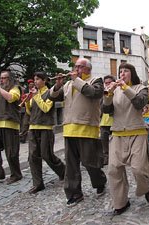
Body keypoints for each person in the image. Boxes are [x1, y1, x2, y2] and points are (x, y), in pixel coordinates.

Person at [50, 58, 107, 208]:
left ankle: (100, 181)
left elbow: (93, 93)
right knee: (71, 165)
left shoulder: (96, 80)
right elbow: (52, 97)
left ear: (88, 69)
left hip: (87, 128)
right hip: (69, 128)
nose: (76, 70)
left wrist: (76, 80)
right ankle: (74, 193)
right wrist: (57, 85)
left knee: (90, 162)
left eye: (80, 67)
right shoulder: (68, 84)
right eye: (75, 67)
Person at [103, 63, 149, 216]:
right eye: (120, 71)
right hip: (118, 133)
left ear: (132, 73)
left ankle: (145, 188)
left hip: (137, 131)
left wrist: (125, 88)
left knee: (138, 168)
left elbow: (139, 103)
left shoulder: (141, 88)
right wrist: (108, 95)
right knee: (114, 169)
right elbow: (105, 110)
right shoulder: (115, 90)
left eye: (125, 71)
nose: (122, 74)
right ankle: (121, 202)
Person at [25, 72, 65, 194]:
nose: (35, 82)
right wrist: (27, 101)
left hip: (45, 128)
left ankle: (64, 172)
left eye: (37, 79)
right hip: (33, 127)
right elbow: (29, 111)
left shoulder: (50, 93)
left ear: (44, 80)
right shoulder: (35, 94)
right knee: (32, 156)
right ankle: (38, 183)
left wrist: (36, 96)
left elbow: (46, 108)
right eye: (34, 79)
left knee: (47, 155)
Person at [100, 75, 115, 165]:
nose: (108, 85)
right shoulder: (103, 93)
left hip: (114, 120)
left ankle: (116, 157)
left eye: (109, 83)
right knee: (103, 141)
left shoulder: (116, 91)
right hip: (103, 122)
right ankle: (106, 158)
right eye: (106, 83)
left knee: (116, 142)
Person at [19, 79, 35, 143]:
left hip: (34, 109)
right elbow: (22, 98)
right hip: (27, 109)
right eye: (30, 84)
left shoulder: (36, 90)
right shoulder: (25, 91)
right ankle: (23, 137)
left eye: (32, 84)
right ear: (28, 85)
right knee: (25, 123)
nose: (31, 85)